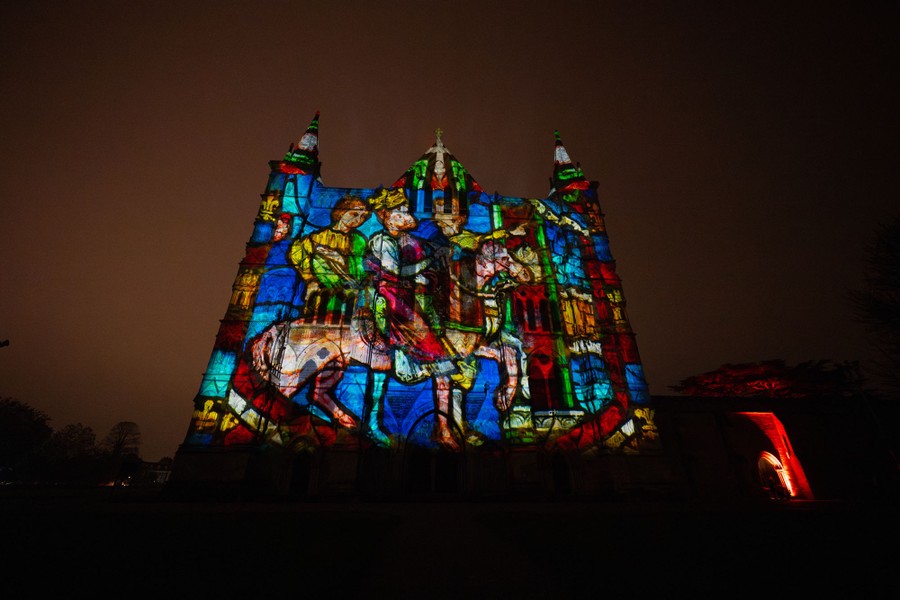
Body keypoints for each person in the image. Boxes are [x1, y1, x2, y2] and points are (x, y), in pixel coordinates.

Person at [361, 187, 460, 449]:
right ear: (387, 217)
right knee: (438, 358)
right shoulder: (381, 241)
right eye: (401, 210)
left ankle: (443, 427)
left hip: (408, 297)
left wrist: (428, 275)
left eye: (406, 208)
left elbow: (414, 273)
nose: (408, 214)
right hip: (391, 300)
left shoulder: (409, 241)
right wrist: (426, 265)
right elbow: (394, 271)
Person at [286, 195, 371, 428]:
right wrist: (311, 279)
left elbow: (359, 275)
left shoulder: (360, 242)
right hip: (320, 305)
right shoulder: (314, 238)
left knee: (339, 353)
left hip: (346, 306)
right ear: (340, 211)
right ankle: (297, 393)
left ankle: (322, 394)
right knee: (313, 348)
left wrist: (346, 274)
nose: (358, 220)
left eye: (363, 217)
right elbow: (298, 255)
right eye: (354, 213)